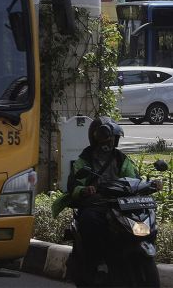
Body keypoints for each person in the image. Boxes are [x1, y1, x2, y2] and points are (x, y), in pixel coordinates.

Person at [52, 117, 161, 282]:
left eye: (112, 138)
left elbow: (133, 177)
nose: (110, 141)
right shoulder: (85, 159)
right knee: (89, 220)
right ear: (96, 138)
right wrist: (85, 190)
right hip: (97, 203)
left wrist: (150, 184)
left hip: (121, 205)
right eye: (106, 137)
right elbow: (74, 186)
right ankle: (96, 262)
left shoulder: (120, 158)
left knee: (145, 218)